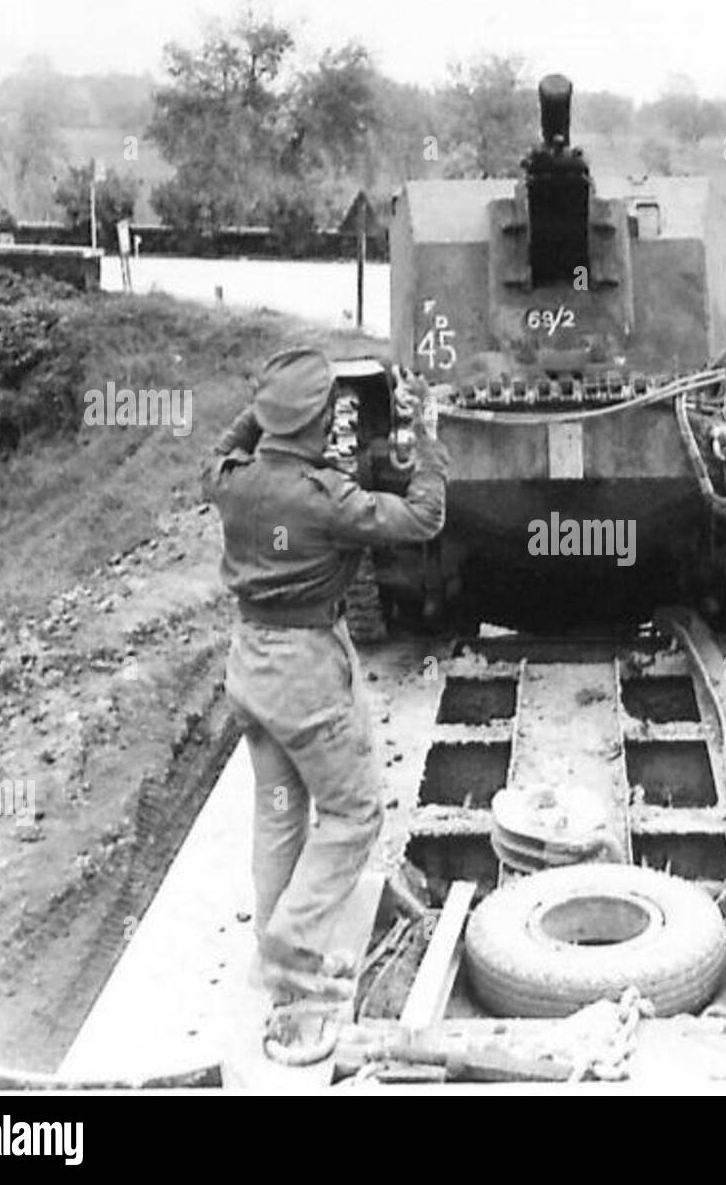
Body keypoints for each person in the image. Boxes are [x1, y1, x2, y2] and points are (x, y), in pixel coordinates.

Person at [202, 348, 449, 1001]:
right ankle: (293, 949)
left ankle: (277, 960)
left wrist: (269, 409)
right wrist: (426, 439)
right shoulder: (325, 501)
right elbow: (424, 517)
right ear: (316, 424)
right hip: (305, 669)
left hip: (251, 663)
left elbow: (226, 445)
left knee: (281, 810)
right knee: (354, 813)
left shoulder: (232, 480)